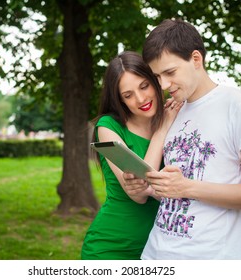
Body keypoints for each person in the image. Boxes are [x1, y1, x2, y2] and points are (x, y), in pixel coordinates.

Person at [122, 19, 241, 260]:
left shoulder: (238, 105)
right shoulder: (173, 110)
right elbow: (177, 184)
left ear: (196, 59)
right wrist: (151, 188)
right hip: (154, 255)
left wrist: (186, 187)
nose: (163, 85)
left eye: (170, 72)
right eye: (157, 76)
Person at [81, 51, 183, 260]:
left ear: (156, 80)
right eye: (128, 95)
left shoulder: (177, 117)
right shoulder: (108, 127)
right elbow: (138, 193)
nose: (141, 99)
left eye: (144, 86)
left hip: (162, 249)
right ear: (120, 99)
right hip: (110, 248)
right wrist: (161, 131)